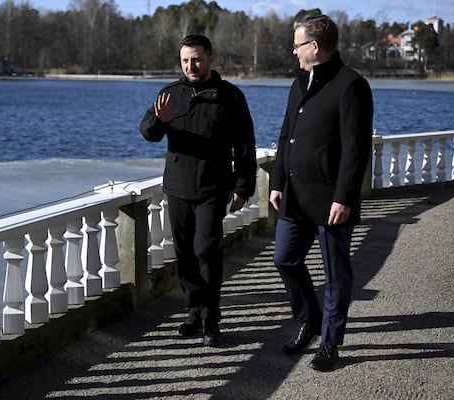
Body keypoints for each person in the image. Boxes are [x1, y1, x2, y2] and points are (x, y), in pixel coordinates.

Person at [269, 15, 373, 371]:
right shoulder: (299, 82)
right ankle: (309, 320)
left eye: (297, 45)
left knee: (335, 274)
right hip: (294, 195)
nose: (293, 51)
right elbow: (287, 136)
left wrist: (344, 197)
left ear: (314, 47)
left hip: (331, 200)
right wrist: (276, 181)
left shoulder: (351, 85)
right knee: (284, 258)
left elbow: (356, 149)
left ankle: (330, 342)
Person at [139, 34, 257, 347]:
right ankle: (193, 309)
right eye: (186, 60)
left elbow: (244, 146)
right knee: (184, 252)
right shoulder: (170, 94)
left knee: (206, 249)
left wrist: (243, 185)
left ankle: (211, 317)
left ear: (210, 59)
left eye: (197, 59)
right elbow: (147, 132)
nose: (192, 65)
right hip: (177, 187)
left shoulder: (230, 97)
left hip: (213, 187)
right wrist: (159, 121)